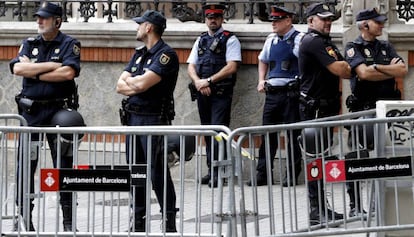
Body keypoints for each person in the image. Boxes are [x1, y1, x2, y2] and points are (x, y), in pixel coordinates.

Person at [9, 2, 81, 232]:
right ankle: (25, 220)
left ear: (57, 21)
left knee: (64, 166)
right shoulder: (29, 43)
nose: (39, 21)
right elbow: (18, 69)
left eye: (45, 18)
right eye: (38, 17)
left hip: (58, 113)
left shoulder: (70, 44)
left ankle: (69, 222)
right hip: (31, 114)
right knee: (26, 167)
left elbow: (68, 72)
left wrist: (35, 70)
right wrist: (51, 66)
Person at [116, 10, 179, 232]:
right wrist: (136, 82)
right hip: (133, 119)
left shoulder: (166, 55)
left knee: (157, 172)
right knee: (136, 172)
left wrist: (134, 83)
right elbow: (119, 85)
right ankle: (139, 223)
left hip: (153, 120)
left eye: (139, 24)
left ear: (149, 27)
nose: (137, 28)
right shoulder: (140, 54)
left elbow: (140, 85)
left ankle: (168, 221)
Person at [344, 8, 407, 217]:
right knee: (357, 159)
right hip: (363, 111)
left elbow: (402, 71)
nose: (381, 25)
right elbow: (362, 73)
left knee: (386, 159)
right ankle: (355, 206)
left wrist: (375, 68)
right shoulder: (353, 47)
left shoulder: (386, 46)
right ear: (364, 25)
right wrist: (386, 68)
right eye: (377, 22)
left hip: (388, 111)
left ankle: (380, 203)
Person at [298, 2, 351, 226]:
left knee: (321, 159)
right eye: (324, 19)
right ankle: (316, 211)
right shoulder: (313, 41)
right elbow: (341, 69)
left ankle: (321, 208)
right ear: (311, 21)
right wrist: (348, 66)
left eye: (330, 19)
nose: (328, 22)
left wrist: (346, 66)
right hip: (315, 109)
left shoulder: (324, 42)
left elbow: (343, 68)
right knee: (314, 161)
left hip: (325, 108)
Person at [248, 6, 304, 187]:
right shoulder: (271, 39)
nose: (273, 23)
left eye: (277, 20)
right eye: (272, 20)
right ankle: (262, 173)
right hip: (272, 95)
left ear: (288, 21)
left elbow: (306, 63)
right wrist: (261, 80)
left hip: (290, 94)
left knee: (292, 136)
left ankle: (292, 175)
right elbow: (262, 60)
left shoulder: (299, 39)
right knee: (268, 135)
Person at [187, 3, 241, 188]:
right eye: (210, 17)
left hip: (220, 94)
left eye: (216, 17)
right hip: (203, 93)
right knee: (208, 133)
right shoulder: (200, 40)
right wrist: (198, 82)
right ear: (205, 19)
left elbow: (231, 67)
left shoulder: (230, 40)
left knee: (219, 132)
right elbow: (191, 66)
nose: (212, 20)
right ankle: (211, 170)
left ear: (222, 18)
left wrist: (208, 81)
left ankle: (219, 172)